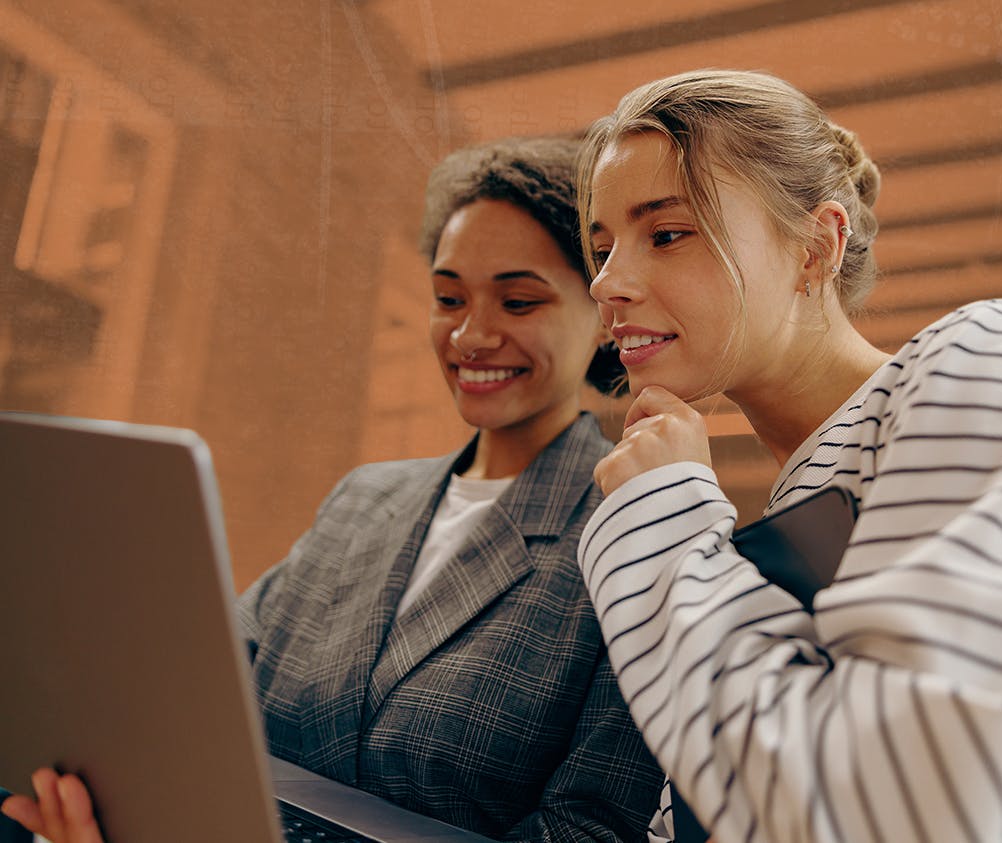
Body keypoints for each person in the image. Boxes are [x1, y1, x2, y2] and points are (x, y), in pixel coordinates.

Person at [573, 69, 1002, 842]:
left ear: (815, 246)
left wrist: (662, 526)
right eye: (602, 248)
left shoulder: (997, 356)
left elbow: (910, 802)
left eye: (666, 233)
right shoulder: (791, 512)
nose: (607, 282)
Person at [1, 136, 662, 842]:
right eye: (447, 298)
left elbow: (590, 829)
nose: (470, 335)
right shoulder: (362, 500)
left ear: (600, 315)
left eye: (519, 301)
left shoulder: (631, 538)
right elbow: (200, 695)